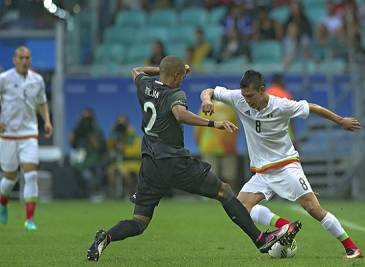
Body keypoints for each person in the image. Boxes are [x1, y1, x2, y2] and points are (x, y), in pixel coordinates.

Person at [86, 56, 301, 261]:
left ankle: (107, 237)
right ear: (177, 75)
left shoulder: (145, 86)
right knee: (224, 192)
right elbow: (180, 114)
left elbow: (135, 71)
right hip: (173, 161)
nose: (182, 80)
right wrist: (213, 123)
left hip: (150, 164)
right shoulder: (175, 94)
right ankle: (261, 239)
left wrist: (162, 70)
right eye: (182, 76)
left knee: (139, 222)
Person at [200, 70, 363, 259]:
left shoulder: (281, 105)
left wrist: (341, 120)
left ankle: (352, 248)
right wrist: (206, 100)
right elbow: (209, 90)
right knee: (240, 208)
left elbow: (313, 107)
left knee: (313, 209)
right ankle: (283, 226)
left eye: (251, 96)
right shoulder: (239, 98)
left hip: (286, 166)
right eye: (244, 95)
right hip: (262, 173)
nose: (247, 100)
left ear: (262, 90)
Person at [0, 46, 53, 231]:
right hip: (7, 135)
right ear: (14, 59)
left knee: (31, 174)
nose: (24, 61)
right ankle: (2, 203)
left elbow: (42, 102)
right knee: (10, 177)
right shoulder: (4, 79)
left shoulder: (37, 80)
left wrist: (47, 121)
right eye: (21, 57)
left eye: (27, 57)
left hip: (29, 133)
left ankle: (29, 219)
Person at [194, 101, 239, 192]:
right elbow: (236, 129)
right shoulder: (230, 109)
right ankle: (231, 194)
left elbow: (198, 128)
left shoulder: (204, 109)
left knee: (210, 174)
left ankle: (208, 196)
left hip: (209, 146)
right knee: (229, 175)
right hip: (227, 147)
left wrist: (199, 142)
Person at [106, 115, 141, 198]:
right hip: (120, 163)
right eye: (119, 123)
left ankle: (130, 193)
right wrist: (113, 133)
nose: (121, 125)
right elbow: (108, 147)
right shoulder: (116, 135)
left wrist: (124, 149)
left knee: (125, 173)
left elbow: (137, 150)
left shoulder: (133, 135)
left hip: (133, 163)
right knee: (110, 171)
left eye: (123, 123)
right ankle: (114, 194)